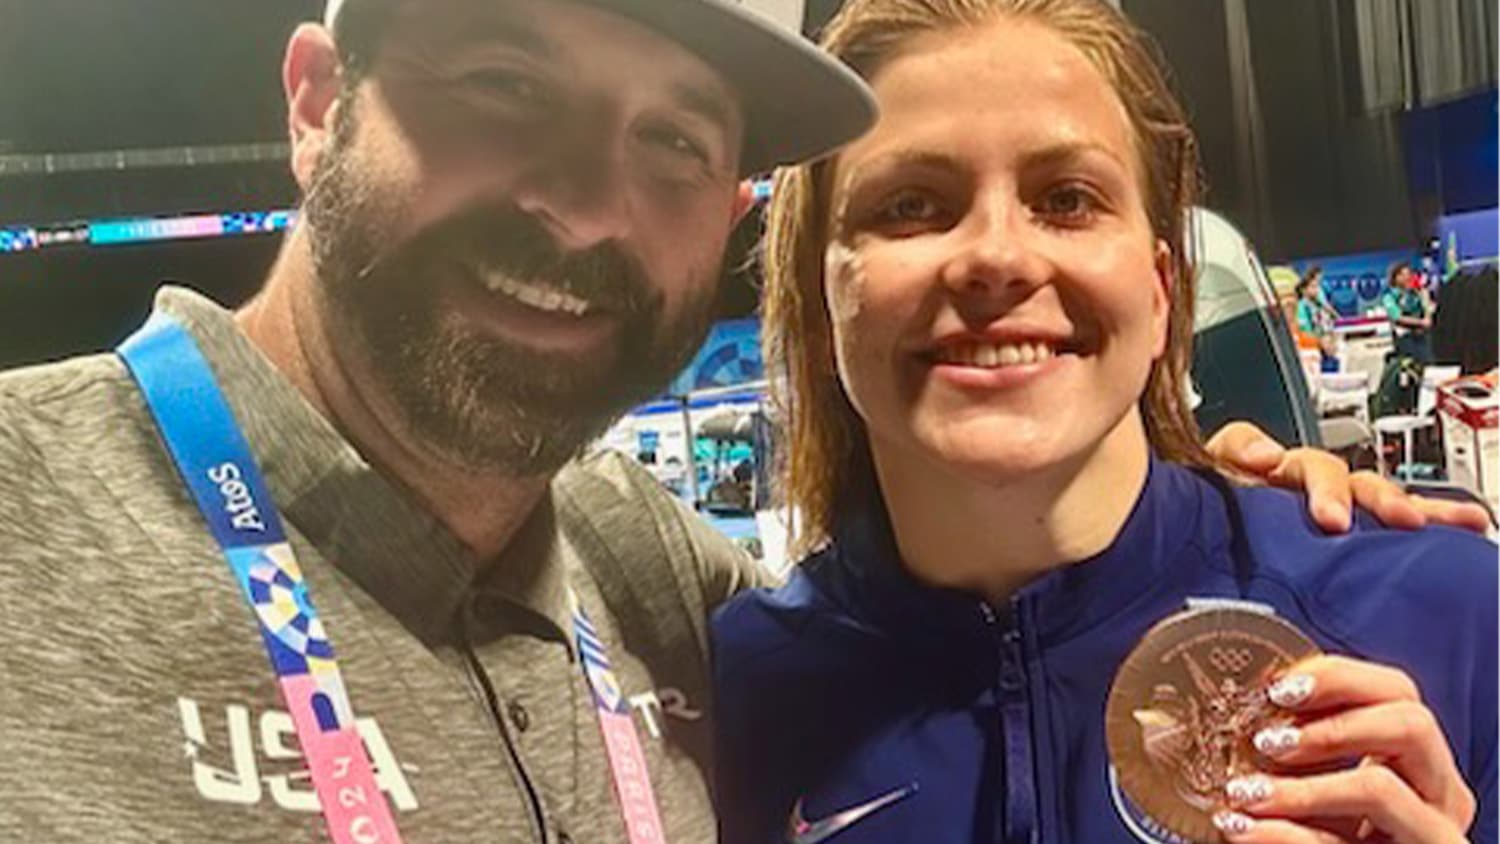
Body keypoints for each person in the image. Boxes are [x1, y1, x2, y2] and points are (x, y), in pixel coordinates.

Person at [0, 0, 1478, 842]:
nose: (582, 198)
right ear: (319, 101)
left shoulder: (651, 595)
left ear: (1161, 288)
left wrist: (1262, 495)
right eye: (505, 86)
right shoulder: (740, 657)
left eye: (671, 140)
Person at [711, 2, 1497, 844]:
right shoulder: (725, 694)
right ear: (821, 302)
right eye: (910, 205)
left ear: (1160, 296)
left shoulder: (1447, 618)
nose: (998, 258)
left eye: (1067, 198)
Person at [1383, 261, 1434, 364]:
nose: (1408, 277)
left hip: (1422, 337)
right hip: (1405, 339)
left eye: (1409, 274)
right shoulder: (1389, 297)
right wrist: (1421, 323)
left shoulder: (1415, 293)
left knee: (1429, 363)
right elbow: (1397, 317)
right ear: (1396, 277)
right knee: (1411, 366)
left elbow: (1428, 310)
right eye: (1404, 275)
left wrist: (1425, 296)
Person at [1294, 266, 1337, 365]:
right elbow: (1305, 330)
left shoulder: (1317, 304)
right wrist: (1320, 342)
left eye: (1317, 286)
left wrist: (1330, 338)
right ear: (1303, 290)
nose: (1317, 290)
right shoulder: (1301, 307)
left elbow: (1325, 323)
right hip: (1312, 349)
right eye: (1313, 287)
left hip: (1323, 346)